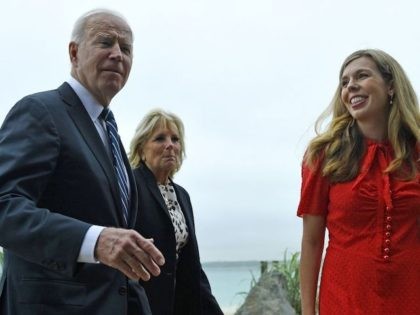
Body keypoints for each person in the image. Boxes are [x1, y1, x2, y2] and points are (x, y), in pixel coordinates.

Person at [0, 9, 165, 315]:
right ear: (74, 53)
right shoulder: (40, 111)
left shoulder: (110, 132)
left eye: (126, 49)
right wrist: (95, 240)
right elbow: (5, 206)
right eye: (105, 42)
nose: (117, 54)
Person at [297, 49, 420, 314]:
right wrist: (308, 311)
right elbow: (311, 241)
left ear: (390, 86)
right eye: (344, 81)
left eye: (362, 76)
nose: (351, 85)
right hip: (345, 298)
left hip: (412, 295)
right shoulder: (323, 155)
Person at [128, 109, 223, 315]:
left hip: (179, 305)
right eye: (160, 138)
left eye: (175, 139)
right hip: (140, 305)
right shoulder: (129, 187)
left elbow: (191, 265)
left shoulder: (182, 195)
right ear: (142, 149)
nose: (170, 145)